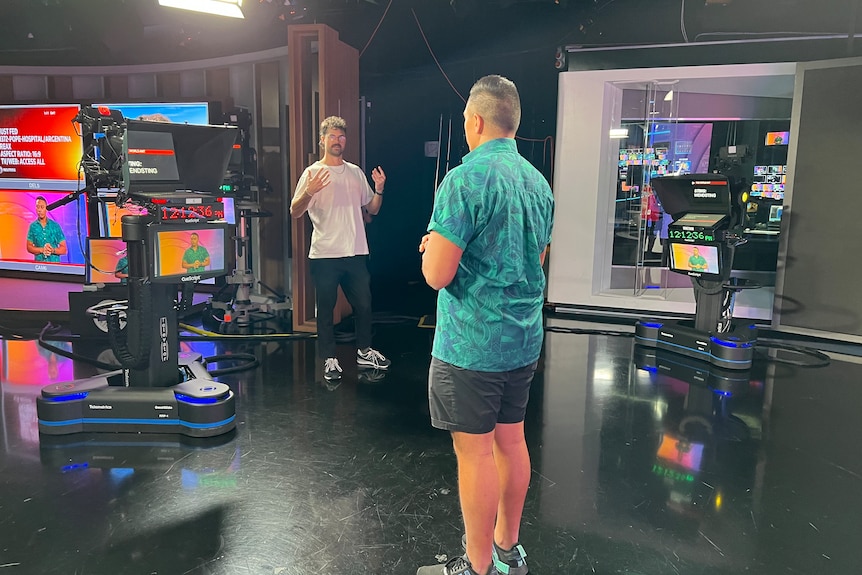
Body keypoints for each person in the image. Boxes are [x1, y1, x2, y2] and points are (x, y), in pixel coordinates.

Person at [417, 75, 554, 575]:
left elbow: (437, 275)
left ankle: (477, 568)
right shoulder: (538, 184)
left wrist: (432, 249)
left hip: (471, 348)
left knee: (474, 455)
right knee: (511, 441)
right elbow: (534, 259)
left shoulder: (463, 180)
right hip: (522, 341)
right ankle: (507, 552)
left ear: (475, 121)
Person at [290, 115, 391, 382]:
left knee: (364, 305)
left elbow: (372, 209)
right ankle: (329, 358)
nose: (337, 141)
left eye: (342, 136)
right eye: (332, 136)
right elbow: (295, 211)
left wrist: (379, 189)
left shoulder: (355, 172)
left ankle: (364, 351)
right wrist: (309, 192)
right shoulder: (312, 173)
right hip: (325, 254)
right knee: (325, 308)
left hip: (356, 252)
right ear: (322, 140)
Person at [26, 195, 68, 262]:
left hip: (54, 266)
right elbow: (29, 247)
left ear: (46, 208)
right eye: (37, 207)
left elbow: (64, 249)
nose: (39, 210)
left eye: (42, 207)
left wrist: (52, 250)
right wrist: (42, 250)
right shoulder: (33, 226)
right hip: (39, 266)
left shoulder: (55, 226)